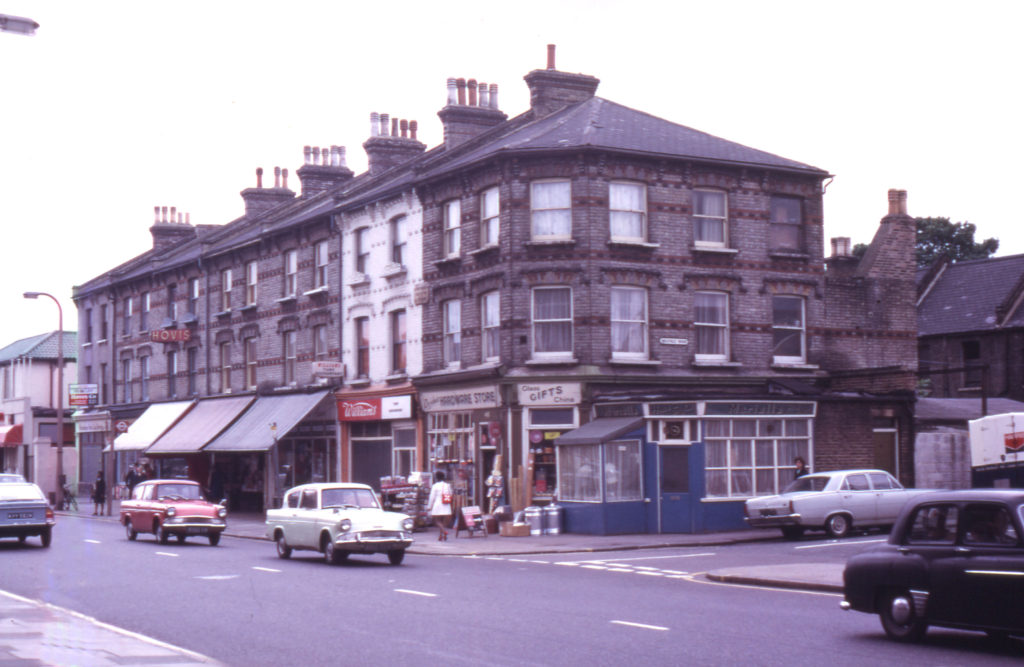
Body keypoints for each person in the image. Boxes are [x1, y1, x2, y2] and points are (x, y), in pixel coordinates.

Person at [427, 470, 453, 541]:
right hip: (446, 505)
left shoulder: (435, 486)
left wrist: (429, 506)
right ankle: (441, 536)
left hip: (438, 505)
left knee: (437, 521)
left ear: (436, 478)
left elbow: (432, 497)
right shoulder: (447, 485)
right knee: (443, 522)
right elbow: (451, 494)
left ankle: (444, 531)